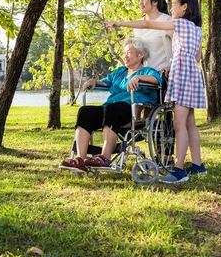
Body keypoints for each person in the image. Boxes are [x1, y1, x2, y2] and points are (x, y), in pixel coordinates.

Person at [105, 0, 207, 183]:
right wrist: (178, 61)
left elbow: (148, 24)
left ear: (185, 7)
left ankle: (178, 170)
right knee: (189, 123)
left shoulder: (180, 24)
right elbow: (198, 57)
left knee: (178, 124)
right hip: (193, 75)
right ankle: (197, 164)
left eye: (175, 5)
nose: (171, 9)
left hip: (182, 76)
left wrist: (119, 23)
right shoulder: (197, 29)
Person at [60, 38, 162, 173]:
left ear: (140, 55)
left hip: (129, 110)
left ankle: (105, 157)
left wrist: (138, 78)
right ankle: (80, 159)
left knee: (112, 109)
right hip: (110, 108)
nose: (125, 56)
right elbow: (105, 82)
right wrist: (93, 81)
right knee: (85, 111)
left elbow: (157, 80)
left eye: (129, 53)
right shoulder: (120, 72)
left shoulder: (147, 71)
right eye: (124, 53)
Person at [133, 0, 174, 74]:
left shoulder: (167, 21)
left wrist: (172, 66)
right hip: (142, 77)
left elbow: (181, 48)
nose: (140, 2)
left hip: (162, 77)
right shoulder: (137, 24)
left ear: (155, 2)